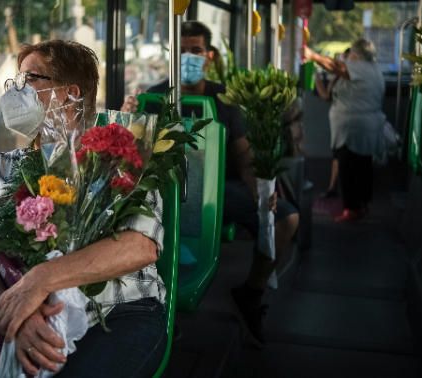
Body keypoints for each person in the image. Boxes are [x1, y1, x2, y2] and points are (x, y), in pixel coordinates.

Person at [0, 40, 166, 377]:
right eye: (15, 82)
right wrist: (14, 312)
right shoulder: (0, 169)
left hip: (116, 311)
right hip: (22, 306)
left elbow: (140, 245)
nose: (16, 93)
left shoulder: (120, 157)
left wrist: (39, 280)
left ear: (70, 94)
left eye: (30, 80)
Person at [122, 20, 299, 346]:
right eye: (182, 51)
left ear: (209, 56)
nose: (189, 57)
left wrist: (262, 192)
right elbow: (134, 151)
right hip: (167, 189)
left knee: (286, 218)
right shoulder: (154, 96)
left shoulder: (226, 100)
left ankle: (251, 294)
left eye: (196, 51)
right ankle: (153, 300)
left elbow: (244, 157)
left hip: (222, 189)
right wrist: (128, 115)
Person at [303, 39, 386, 223]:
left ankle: (352, 209)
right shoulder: (374, 70)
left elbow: (335, 66)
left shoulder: (360, 67)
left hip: (353, 129)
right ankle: (362, 205)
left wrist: (313, 56)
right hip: (365, 127)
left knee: (349, 168)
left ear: (356, 54)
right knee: (363, 167)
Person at [314, 48, 350, 198]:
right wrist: (316, 77)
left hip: (348, 122)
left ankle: (337, 189)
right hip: (339, 123)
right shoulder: (337, 78)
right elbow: (326, 95)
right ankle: (333, 187)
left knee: (343, 156)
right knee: (338, 155)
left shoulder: (351, 77)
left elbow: (326, 95)